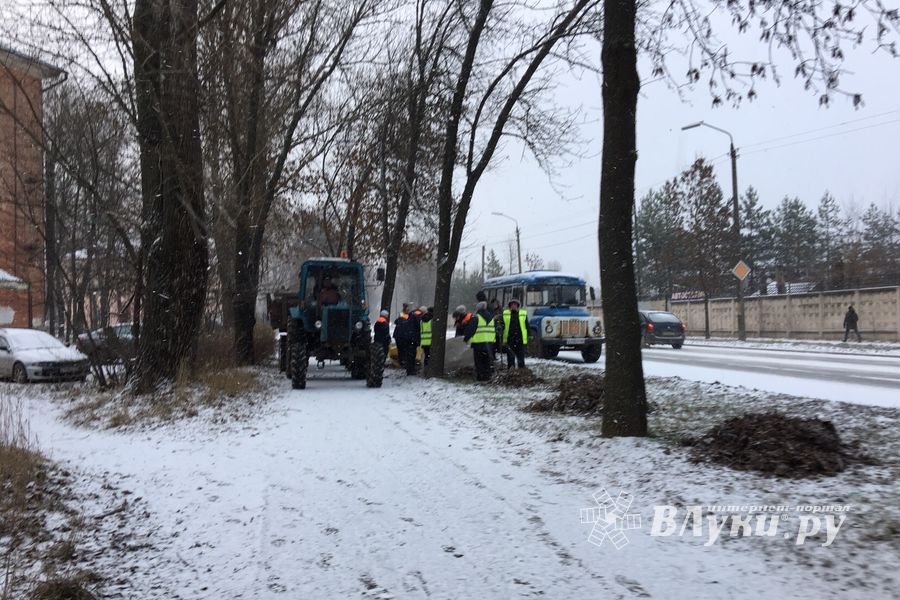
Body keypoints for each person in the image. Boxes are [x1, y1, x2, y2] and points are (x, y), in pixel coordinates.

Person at [464, 301, 496, 381]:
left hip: (478, 343)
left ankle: (481, 377)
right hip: (489, 343)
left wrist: (466, 338)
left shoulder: (476, 317)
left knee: (479, 362)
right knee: (487, 361)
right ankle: (487, 377)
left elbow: (471, 329)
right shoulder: (491, 317)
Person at [502, 299, 528, 369]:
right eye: (512, 304)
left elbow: (527, 325)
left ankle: (522, 370)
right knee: (510, 356)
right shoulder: (505, 313)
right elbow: (502, 325)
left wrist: (529, 335)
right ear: (510, 306)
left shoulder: (523, 313)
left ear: (518, 305)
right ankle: (511, 369)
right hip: (510, 338)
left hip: (520, 338)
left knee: (521, 356)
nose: (513, 306)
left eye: (515, 304)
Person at [394, 303, 419, 375]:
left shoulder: (403, 316)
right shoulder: (411, 316)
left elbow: (397, 322)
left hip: (403, 337)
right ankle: (409, 368)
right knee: (410, 354)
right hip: (408, 338)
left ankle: (405, 364)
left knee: (405, 352)